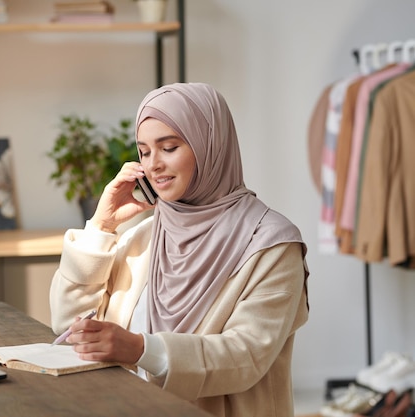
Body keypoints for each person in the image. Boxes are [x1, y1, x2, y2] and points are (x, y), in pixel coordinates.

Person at [49, 82, 309, 417]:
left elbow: (246, 356)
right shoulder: (145, 236)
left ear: (209, 147)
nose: (153, 164)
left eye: (169, 147)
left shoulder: (272, 244)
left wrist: (140, 349)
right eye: (144, 152)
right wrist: (102, 226)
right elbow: (66, 324)